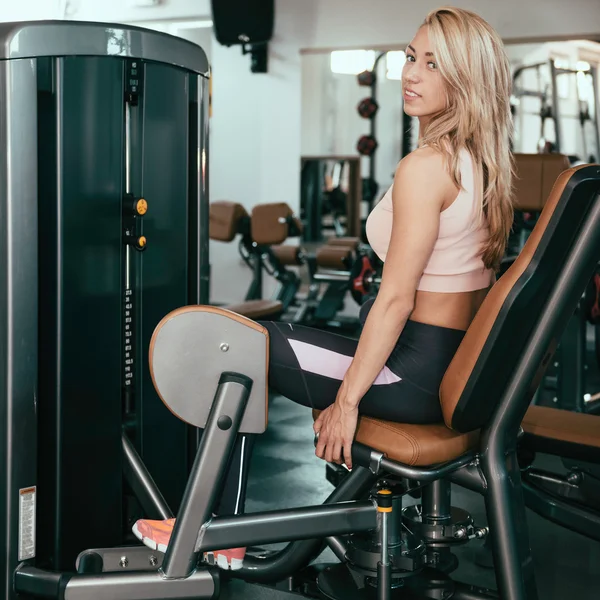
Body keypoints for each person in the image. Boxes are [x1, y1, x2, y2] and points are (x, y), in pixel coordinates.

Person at [132, 5, 515, 571]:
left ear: (465, 79)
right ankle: (221, 528)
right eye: (411, 56)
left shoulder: (428, 167)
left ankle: (214, 531)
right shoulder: (481, 164)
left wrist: (347, 399)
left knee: (241, 347)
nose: (411, 73)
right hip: (446, 366)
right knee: (264, 342)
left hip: (412, 369)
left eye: (433, 64)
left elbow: (395, 299)